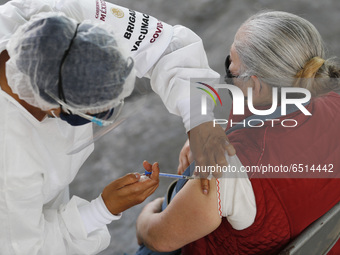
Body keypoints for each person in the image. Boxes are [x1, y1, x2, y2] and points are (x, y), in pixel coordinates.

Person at [136, 11, 340, 255]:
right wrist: (221, 134)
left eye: (230, 65)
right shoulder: (332, 101)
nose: (228, 72)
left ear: (255, 84)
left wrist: (148, 213)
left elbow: (160, 238)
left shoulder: (230, 167)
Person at [0, 0, 232, 194]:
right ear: (52, 104)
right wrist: (101, 212)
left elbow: (168, 47)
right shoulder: (10, 156)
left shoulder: (60, 19)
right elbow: (26, 240)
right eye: (95, 107)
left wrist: (199, 120)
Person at [0, 12, 161, 254]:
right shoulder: (11, 161)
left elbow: (169, 41)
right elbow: (22, 247)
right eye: (91, 111)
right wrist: (102, 209)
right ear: (53, 103)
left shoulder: (41, 28)